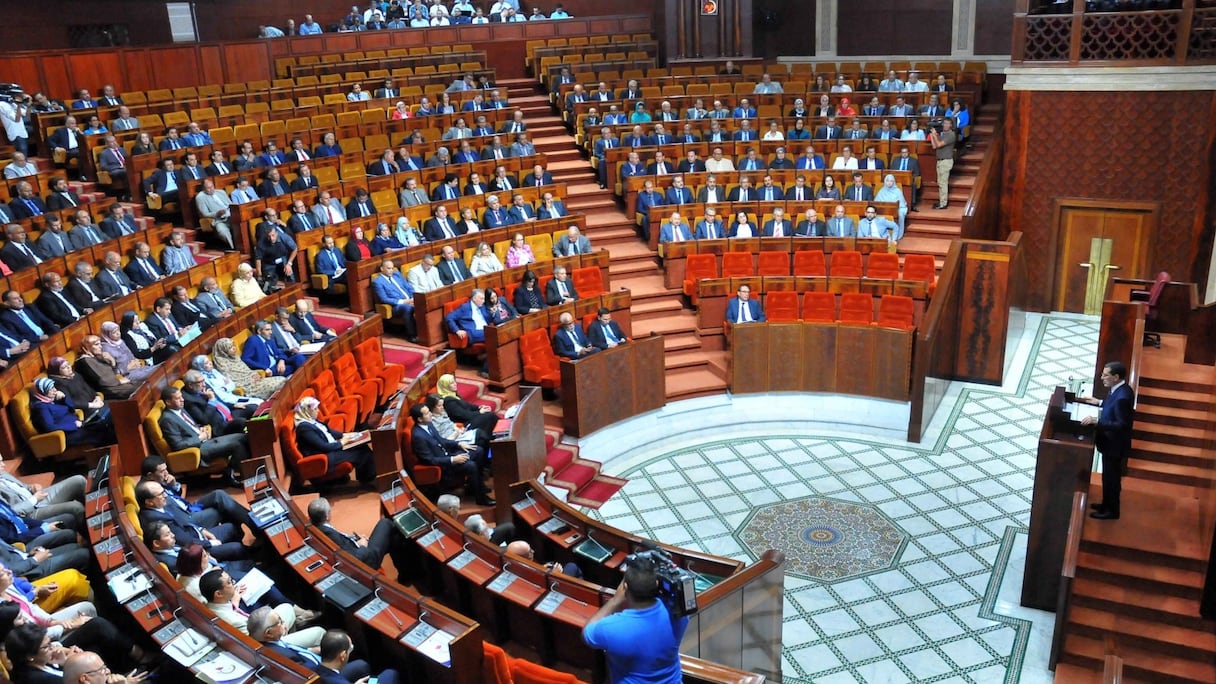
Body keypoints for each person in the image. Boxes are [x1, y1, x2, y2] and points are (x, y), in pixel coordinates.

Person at [583, 557, 689, 684]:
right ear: (655, 584)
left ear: (625, 588)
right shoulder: (679, 614)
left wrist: (615, 601)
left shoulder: (611, 628)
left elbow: (587, 633)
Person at [157, 386, 248, 487]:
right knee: (237, 445)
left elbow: (190, 427)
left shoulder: (180, 408)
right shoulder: (167, 420)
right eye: (178, 398)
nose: (182, 400)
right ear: (168, 402)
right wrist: (199, 438)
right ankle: (242, 476)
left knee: (243, 436)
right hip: (199, 449)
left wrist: (200, 429)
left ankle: (236, 471)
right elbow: (178, 445)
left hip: (206, 441)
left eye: (181, 397)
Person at [1079, 361, 1135, 520]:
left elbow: (1122, 425)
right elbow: (1113, 407)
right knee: (1107, 478)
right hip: (1110, 444)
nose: (1102, 377)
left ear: (1116, 377)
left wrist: (1097, 421)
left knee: (1111, 480)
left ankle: (1111, 511)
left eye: (1105, 375)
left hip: (1114, 446)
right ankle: (1106, 504)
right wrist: (1100, 402)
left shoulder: (1122, 397)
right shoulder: (1119, 389)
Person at [408, 403, 493, 505]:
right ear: (420, 419)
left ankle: (472, 487)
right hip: (444, 465)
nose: (431, 414)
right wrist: (453, 459)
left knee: (478, 450)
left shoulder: (428, 424)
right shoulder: (418, 436)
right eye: (427, 413)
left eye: (429, 411)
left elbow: (442, 441)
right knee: (471, 465)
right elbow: (429, 459)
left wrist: (459, 444)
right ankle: (481, 498)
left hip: (448, 455)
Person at [306, 497, 408, 572]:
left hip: (355, 549)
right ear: (327, 516)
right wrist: (362, 545)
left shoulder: (316, 528)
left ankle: (405, 572)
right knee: (385, 523)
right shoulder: (329, 534)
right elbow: (355, 558)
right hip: (366, 561)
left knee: (394, 539)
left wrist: (355, 540)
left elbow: (342, 543)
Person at [313, 629, 401, 684]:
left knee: (362, 666)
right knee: (391, 673)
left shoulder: (313, 668)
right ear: (343, 656)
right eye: (350, 648)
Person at [211, 337, 287, 399]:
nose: (234, 348)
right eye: (230, 347)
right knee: (279, 384)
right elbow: (233, 381)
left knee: (282, 380)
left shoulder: (235, 358)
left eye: (233, 346)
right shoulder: (222, 364)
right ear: (223, 351)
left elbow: (246, 371)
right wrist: (250, 380)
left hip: (256, 381)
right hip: (249, 388)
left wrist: (254, 374)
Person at [73, 336, 134, 400]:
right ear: (87, 347)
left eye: (100, 344)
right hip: (107, 390)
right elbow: (103, 381)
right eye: (96, 344)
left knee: (140, 384)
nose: (100, 347)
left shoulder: (97, 357)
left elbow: (114, 373)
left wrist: (112, 361)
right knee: (137, 390)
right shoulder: (85, 361)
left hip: (114, 385)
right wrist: (119, 381)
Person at [372, 260, 417, 339]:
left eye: (392, 268)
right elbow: (384, 299)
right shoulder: (378, 282)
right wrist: (404, 302)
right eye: (389, 268)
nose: (391, 271)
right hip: (396, 306)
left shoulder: (396, 275)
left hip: (410, 299)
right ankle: (412, 335)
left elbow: (409, 287)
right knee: (408, 308)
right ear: (382, 269)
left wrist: (413, 298)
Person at [929, 118, 957, 210]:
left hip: (946, 161)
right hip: (940, 161)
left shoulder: (951, 135)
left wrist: (935, 135)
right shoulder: (943, 134)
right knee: (940, 183)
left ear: (951, 125)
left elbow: (939, 144)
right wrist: (932, 136)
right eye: (944, 123)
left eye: (947, 123)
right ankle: (941, 201)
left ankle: (943, 203)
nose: (945, 125)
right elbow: (934, 146)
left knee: (943, 183)